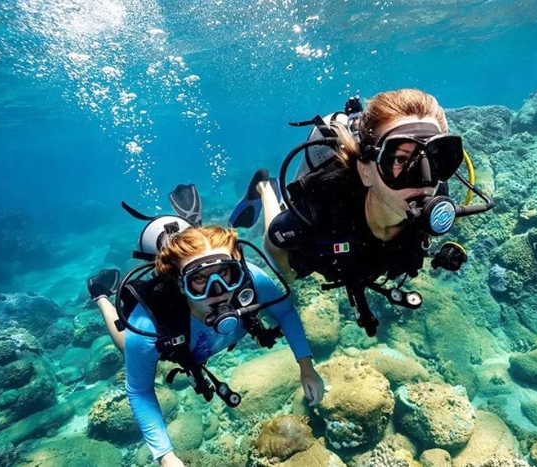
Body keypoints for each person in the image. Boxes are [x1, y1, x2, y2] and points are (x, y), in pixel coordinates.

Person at [229, 88, 493, 335]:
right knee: (296, 268)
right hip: (327, 239)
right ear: (366, 171)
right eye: (400, 159)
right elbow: (274, 239)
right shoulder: (324, 204)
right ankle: (265, 186)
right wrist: (285, 274)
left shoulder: (438, 192)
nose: (424, 179)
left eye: (435, 158)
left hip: (364, 255)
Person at [88, 224, 324, 467]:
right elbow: (139, 390)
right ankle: (101, 294)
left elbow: (285, 312)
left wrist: (306, 366)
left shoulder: (251, 280)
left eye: (224, 272)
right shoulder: (148, 323)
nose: (218, 291)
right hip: (172, 340)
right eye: (199, 279)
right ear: (180, 284)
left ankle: (182, 230)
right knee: (127, 346)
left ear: (237, 268)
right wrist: (165, 455)